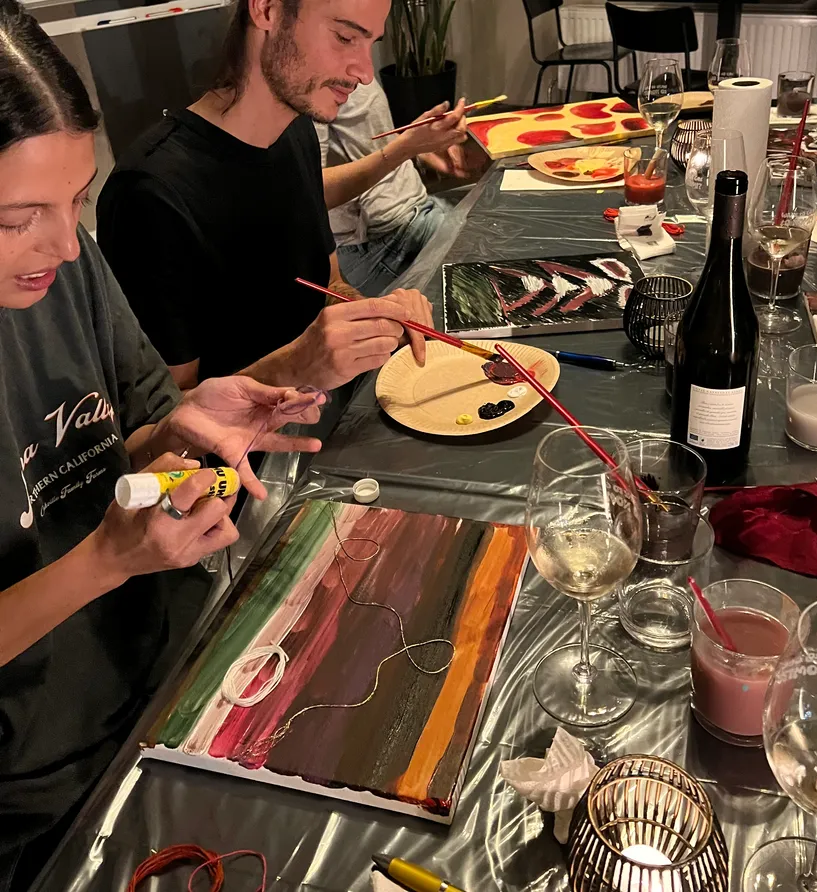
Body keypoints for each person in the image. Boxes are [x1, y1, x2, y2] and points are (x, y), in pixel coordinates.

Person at [0, 5, 326, 889]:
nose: (65, 246)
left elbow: (136, 435)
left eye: (74, 201)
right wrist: (105, 559)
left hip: (166, 672)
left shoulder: (69, 266)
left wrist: (185, 428)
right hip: (36, 794)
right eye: (17, 218)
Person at [97, 0, 465, 394]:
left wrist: (375, 318)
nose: (364, 73)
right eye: (344, 37)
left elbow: (328, 285)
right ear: (267, 10)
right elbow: (166, 426)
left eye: (370, 43)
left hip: (320, 416)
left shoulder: (296, 130)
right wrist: (294, 367)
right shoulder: (150, 194)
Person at [318, 79, 474, 295]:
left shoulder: (352, 67)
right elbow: (309, 192)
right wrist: (405, 149)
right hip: (385, 241)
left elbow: (368, 143)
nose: (366, 73)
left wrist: (421, 148)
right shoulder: (305, 84)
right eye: (346, 41)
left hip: (416, 209)